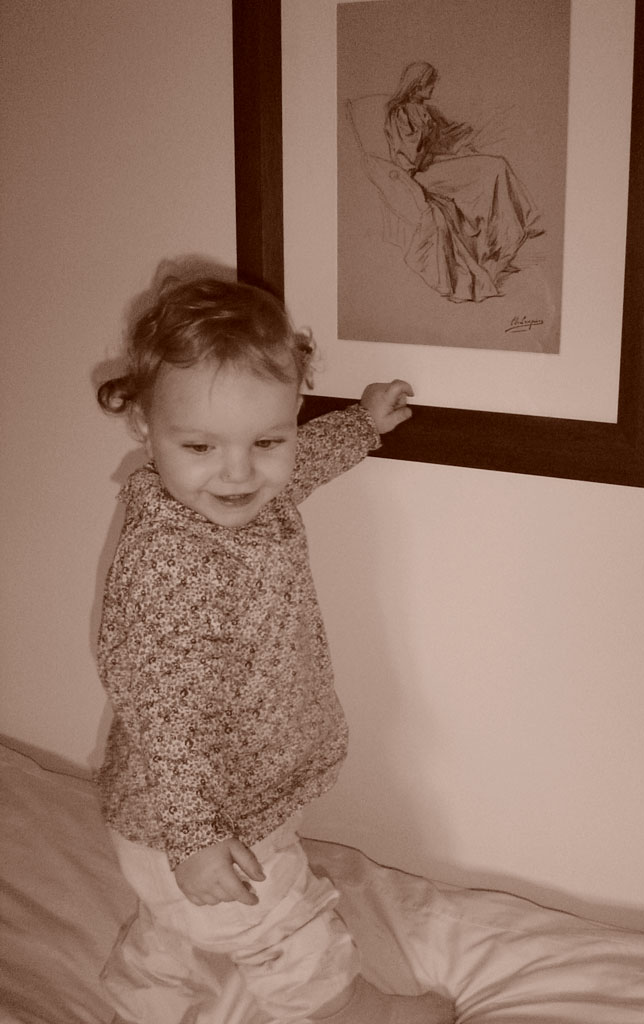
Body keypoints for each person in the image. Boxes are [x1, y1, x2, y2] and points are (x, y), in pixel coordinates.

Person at [95, 269, 454, 1024]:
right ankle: (345, 1011)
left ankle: (140, 1001)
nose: (238, 472)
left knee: (176, 920)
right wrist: (196, 840)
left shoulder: (253, 491)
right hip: (195, 814)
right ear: (145, 427)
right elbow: (163, 710)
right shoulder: (168, 563)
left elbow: (306, 461)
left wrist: (363, 424)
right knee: (279, 921)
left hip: (228, 794)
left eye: (266, 440)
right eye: (200, 444)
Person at [384, 61, 543, 303]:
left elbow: (446, 138)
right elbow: (410, 158)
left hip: (439, 163)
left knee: (496, 164)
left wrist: (464, 133)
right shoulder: (400, 113)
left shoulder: (428, 110)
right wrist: (426, 132)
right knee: (489, 171)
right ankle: (506, 236)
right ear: (416, 86)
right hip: (422, 173)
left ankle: (507, 237)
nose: (433, 88)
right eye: (429, 84)